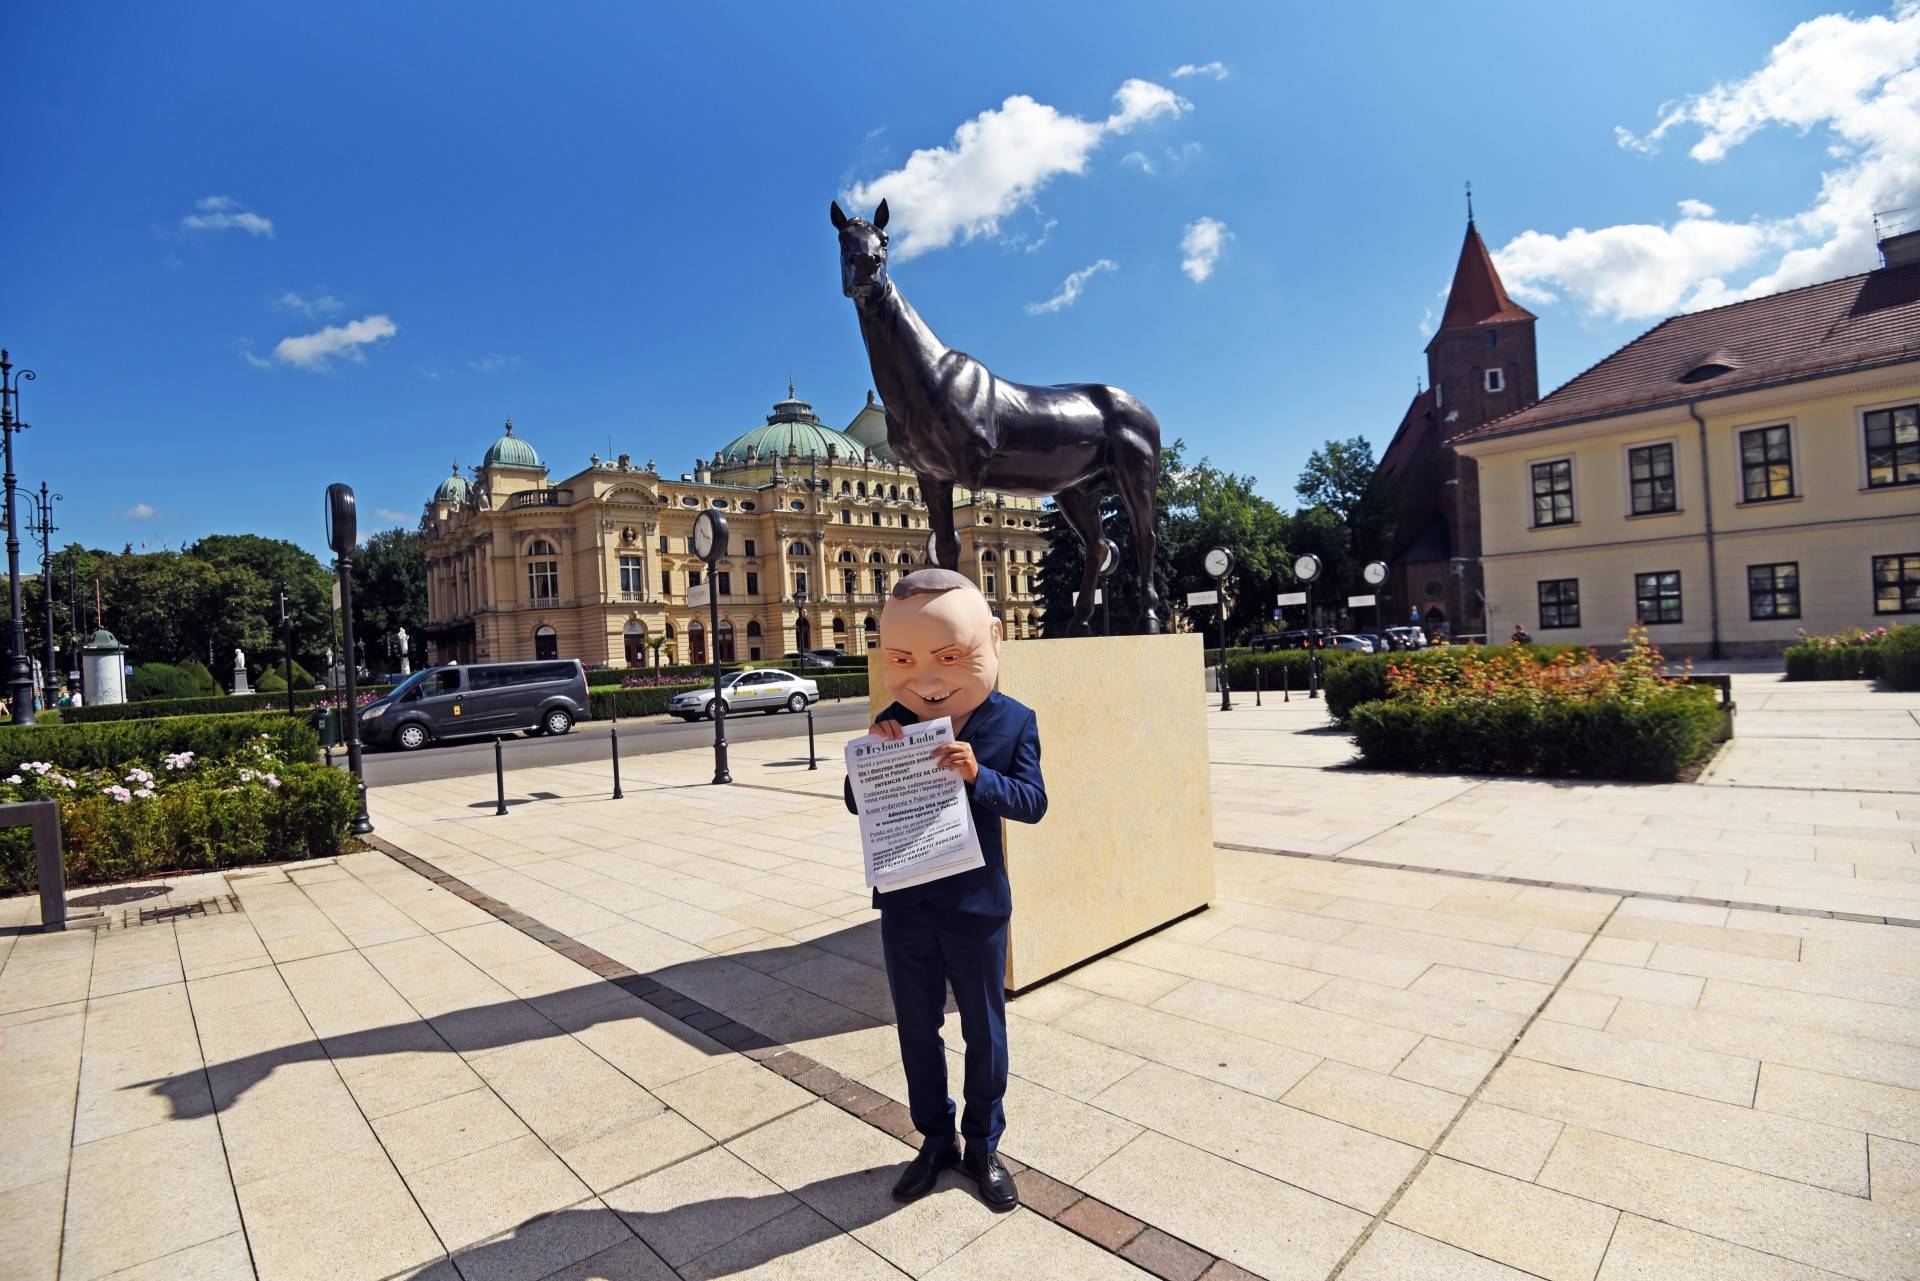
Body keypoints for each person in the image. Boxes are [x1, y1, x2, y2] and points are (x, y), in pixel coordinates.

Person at [844, 568, 1047, 1213]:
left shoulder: (1014, 721)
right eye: (903, 661)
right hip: (906, 903)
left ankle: (984, 1143)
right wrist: (871, 759)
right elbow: (856, 799)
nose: (926, 679)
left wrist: (978, 774)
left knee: (985, 1031)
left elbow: (1034, 802)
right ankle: (934, 1139)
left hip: (976, 906)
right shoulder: (896, 717)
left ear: (992, 640)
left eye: (950, 657)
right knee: (916, 1028)